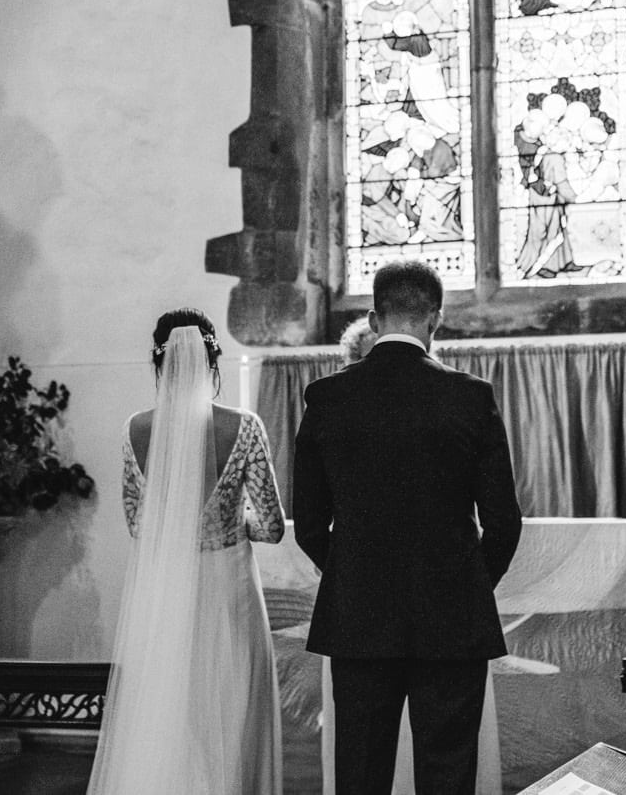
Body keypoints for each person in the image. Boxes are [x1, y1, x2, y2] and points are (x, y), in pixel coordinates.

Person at [293, 260, 522, 795]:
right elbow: (505, 525)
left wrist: (357, 578)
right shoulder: (471, 396)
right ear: (435, 320)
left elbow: (307, 526)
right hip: (450, 622)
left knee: (361, 772)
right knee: (447, 772)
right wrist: (461, 588)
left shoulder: (326, 398)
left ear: (374, 319)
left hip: (359, 620)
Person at [87, 308, 285, 795]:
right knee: (232, 704)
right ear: (212, 360)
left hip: (166, 592)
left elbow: (138, 524)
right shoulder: (243, 426)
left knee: (169, 709)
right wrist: (232, 521)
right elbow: (274, 526)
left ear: (160, 362)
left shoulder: (135, 429)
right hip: (229, 591)